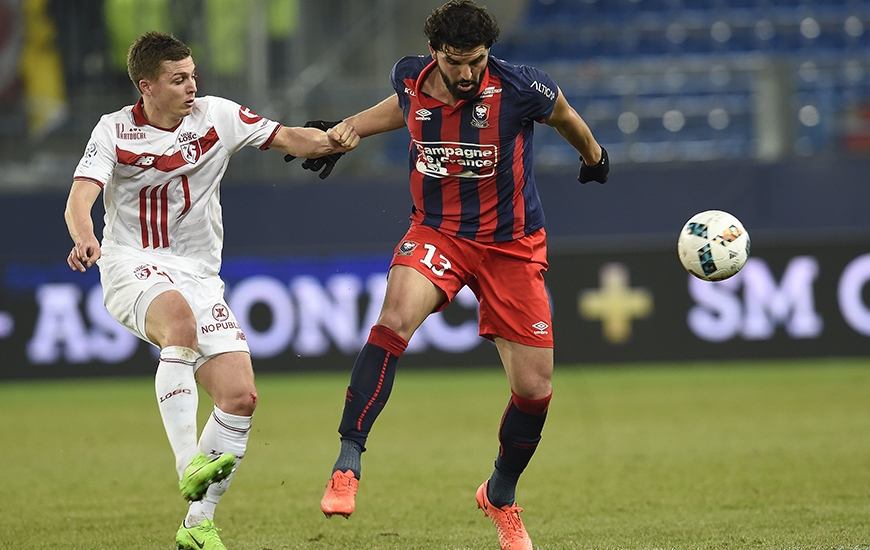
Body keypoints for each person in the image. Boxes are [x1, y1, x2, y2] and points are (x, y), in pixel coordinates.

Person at [299, 2, 608, 549]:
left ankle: (500, 494)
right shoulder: (408, 75)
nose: (466, 74)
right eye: (455, 63)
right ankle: (348, 461)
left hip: (511, 246)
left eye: (476, 62)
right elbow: (404, 108)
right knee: (394, 320)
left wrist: (593, 155)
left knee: (534, 392)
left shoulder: (521, 87)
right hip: (439, 232)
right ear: (435, 53)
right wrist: (347, 131)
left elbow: (564, 114)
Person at [64, 30, 358, 550]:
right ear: (146, 85)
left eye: (194, 75)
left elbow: (293, 137)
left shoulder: (217, 116)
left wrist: (347, 134)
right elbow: (80, 199)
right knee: (179, 324)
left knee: (240, 398)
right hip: (132, 263)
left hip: (200, 273)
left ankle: (198, 523)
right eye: (178, 79)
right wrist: (86, 240)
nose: (191, 86)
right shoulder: (112, 131)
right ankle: (187, 461)